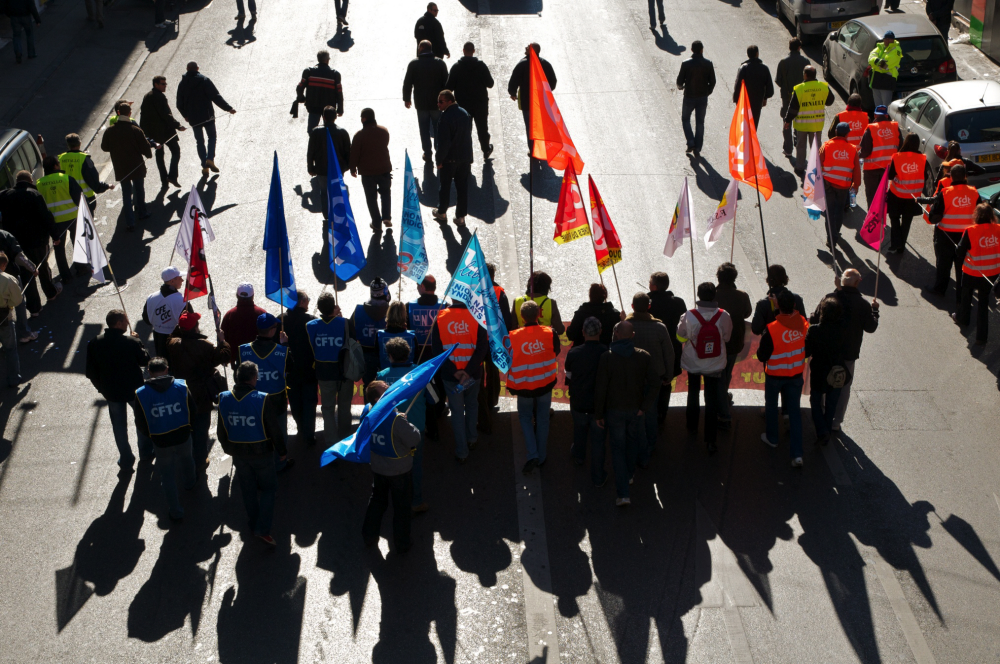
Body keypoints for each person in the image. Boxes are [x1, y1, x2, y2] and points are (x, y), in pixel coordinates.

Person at [218, 361, 286, 545]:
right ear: (254, 378)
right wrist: (282, 451)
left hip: (239, 454)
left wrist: (229, 449)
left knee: (247, 490)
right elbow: (274, 428)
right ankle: (262, 528)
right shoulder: (262, 398)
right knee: (268, 488)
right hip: (262, 453)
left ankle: (253, 523)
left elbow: (221, 430)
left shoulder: (224, 398)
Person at [594, 321, 658, 506]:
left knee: (617, 449)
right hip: (635, 411)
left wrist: (599, 413)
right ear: (633, 335)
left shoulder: (607, 357)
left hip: (614, 412)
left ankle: (623, 493)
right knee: (632, 443)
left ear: (615, 333)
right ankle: (629, 474)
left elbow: (601, 389)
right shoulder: (643, 356)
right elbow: (655, 383)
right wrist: (644, 407)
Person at [810, 268, 879, 432]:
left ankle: (821, 415)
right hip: (848, 354)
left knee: (823, 382)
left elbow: (814, 319)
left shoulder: (830, 298)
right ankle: (836, 421)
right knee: (843, 387)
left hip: (826, 351)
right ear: (858, 282)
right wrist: (875, 310)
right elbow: (871, 327)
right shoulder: (862, 304)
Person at [133, 357, 197, 521]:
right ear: (167, 369)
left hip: (160, 440)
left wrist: (151, 436)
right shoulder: (182, 386)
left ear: (149, 372)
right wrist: (190, 428)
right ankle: (190, 484)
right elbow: (192, 410)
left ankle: (175, 511)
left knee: (167, 475)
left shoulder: (141, 394)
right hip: (183, 435)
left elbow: (140, 422)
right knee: (187, 459)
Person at [361, 380, 421, 554]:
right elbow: (414, 438)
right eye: (386, 391)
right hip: (399, 471)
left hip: (377, 467)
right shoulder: (394, 419)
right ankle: (402, 544)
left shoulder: (367, 411)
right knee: (402, 508)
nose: (391, 392)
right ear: (378, 398)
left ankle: (368, 535)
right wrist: (403, 421)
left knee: (377, 501)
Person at [86, 309, 151, 469]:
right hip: (134, 390)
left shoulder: (95, 342)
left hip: (111, 392)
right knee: (142, 422)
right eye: (126, 320)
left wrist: (101, 388)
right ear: (119, 323)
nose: (128, 323)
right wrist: (139, 342)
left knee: (119, 427)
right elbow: (146, 361)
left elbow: (91, 372)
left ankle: (126, 459)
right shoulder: (131, 342)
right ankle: (145, 453)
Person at [166, 310, 231, 467]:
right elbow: (224, 356)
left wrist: (179, 327)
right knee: (201, 428)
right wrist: (223, 342)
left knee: (185, 427)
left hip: (180, 392)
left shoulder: (172, 344)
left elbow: (171, 336)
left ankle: (186, 458)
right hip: (201, 393)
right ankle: (200, 460)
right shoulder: (205, 346)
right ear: (196, 328)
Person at [676, 283, 732, 455]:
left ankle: (692, 426)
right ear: (714, 295)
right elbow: (727, 338)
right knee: (711, 399)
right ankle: (710, 440)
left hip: (693, 362)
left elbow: (680, 337)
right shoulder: (724, 315)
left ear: (698, 296)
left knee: (693, 393)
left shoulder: (689, 315)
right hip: (715, 363)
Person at [432, 295, 488, 462]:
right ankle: (472, 438)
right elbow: (482, 348)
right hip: (472, 376)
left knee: (457, 413)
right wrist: (468, 372)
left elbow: (437, 351)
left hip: (451, 377)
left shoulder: (440, 317)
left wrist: (455, 371)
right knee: (472, 405)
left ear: (451, 297)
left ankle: (462, 451)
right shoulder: (477, 317)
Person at [376, 338, 428, 514]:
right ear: (408, 354)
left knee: (396, 465)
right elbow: (434, 399)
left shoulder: (381, 377)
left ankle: (397, 502)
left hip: (391, 429)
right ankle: (417, 501)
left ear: (389, 356)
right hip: (416, 428)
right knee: (416, 465)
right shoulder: (420, 373)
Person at [508, 301, 561, 474]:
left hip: (523, 386)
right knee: (543, 418)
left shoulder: (512, 336)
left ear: (521, 317)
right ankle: (542, 456)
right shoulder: (549, 332)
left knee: (525, 418)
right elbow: (557, 351)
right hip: (545, 384)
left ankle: (533, 454)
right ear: (539, 314)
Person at [757, 291, 808, 467]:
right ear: (794, 305)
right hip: (795, 374)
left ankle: (772, 438)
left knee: (771, 406)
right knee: (794, 413)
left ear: (777, 306)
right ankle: (797, 454)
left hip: (775, 375)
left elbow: (761, 354)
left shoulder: (771, 329)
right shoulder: (803, 323)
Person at [239, 313, 293, 472]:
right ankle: (281, 463)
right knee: (280, 432)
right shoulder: (282, 351)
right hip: (276, 400)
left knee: (258, 433)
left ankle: (261, 465)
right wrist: (285, 346)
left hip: (253, 400)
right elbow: (291, 368)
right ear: (271, 331)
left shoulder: (243, 350)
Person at [0, 170, 59, 315]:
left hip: (16, 243)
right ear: (31, 181)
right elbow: (46, 217)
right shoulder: (34, 194)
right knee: (42, 267)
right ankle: (51, 293)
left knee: (27, 274)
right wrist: (55, 236)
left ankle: (34, 308)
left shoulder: (5, 196)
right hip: (37, 241)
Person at [922, 163, 982, 300]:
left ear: (952, 178)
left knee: (944, 264)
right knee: (962, 267)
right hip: (967, 237)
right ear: (965, 177)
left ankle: (940, 289)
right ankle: (961, 295)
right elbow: (980, 213)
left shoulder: (946, 193)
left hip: (946, 236)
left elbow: (935, 216)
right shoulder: (974, 192)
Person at [626, 292, 674, 464]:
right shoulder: (660, 327)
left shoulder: (625, 326)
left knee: (633, 411)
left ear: (632, 306)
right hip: (654, 377)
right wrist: (669, 375)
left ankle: (635, 443)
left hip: (631, 377)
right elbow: (669, 354)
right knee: (651, 412)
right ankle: (650, 444)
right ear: (649, 306)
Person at [307, 292, 355, 443]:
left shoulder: (310, 326)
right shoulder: (345, 323)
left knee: (327, 409)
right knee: (344, 407)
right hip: (345, 372)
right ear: (334, 307)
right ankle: (345, 439)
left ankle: (331, 442)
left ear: (319, 309)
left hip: (324, 373)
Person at [565, 317, 608, 484]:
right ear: (600, 332)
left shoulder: (574, 353)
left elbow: (568, 376)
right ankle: (598, 477)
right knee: (598, 443)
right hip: (599, 406)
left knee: (579, 430)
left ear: (582, 333)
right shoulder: (606, 352)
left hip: (579, 402)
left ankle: (579, 456)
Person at [175, 62, 237, 177]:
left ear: (187, 69)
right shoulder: (204, 80)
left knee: (199, 141)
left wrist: (186, 115)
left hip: (193, 118)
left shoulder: (182, 84)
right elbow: (215, 96)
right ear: (197, 68)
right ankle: (210, 159)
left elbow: (179, 103)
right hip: (207, 115)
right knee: (212, 137)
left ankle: (204, 165)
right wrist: (228, 108)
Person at [100, 101, 154, 230]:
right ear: (130, 113)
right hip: (136, 165)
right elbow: (146, 149)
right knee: (139, 189)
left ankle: (130, 222)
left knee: (126, 193)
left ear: (118, 113)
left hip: (121, 167)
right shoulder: (136, 130)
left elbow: (104, 147)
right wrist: (149, 153)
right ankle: (142, 213)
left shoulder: (110, 131)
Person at [713, 262, 752, 430]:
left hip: (715, 343)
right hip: (734, 342)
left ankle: (721, 407)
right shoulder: (742, 296)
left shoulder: (712, 295)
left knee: (718, 375)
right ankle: (723, 408)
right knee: (726, 374)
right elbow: (747, 313)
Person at [955, 203, 1000, 344]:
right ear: (991, 216)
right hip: (992, 274)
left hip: (972, 273)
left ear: (976, 216)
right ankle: (981, 337)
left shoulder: (970, 231)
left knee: (966, 296)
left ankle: (963, 319)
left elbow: (960, 252)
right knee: (983, 304)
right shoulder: (998, 230)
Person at [34, 156, 82, 287]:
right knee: (77, 242)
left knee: (59, 249)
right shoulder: (67, 179)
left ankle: (66, 276)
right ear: (55, 166)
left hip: (54, 222)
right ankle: (81, 268)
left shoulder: (38, 184)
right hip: (72, 217)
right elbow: (79, 197)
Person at [805, 297, 847, 445]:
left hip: (819, 372)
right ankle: (826, 432)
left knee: (815, 402)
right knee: (831, 404)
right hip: (837, 371)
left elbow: (806, 352)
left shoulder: (815, 330)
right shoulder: (843, 329)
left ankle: (822, 431)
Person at [407, 275, 445, 440]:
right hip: (438, 354)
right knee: (440, 384)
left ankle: (426, 412)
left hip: (419, 354)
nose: (416, 287)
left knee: (423, 387)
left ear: (423, 287)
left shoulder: (410, 306)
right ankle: (439, 408)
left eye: (418, 285)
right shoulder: (444, 307)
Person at [647, 271, 686, 418]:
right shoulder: (678, 302)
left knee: (650, 382)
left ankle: (650, 412)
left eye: (650, 282)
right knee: (666, 381)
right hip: (672, 349)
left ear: (654, 286)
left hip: (651, 349)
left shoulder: (647, 302)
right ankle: (662, 412)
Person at [281, 292, 317, 448]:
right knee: (309, 403)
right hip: (309, 369)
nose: (309, 302)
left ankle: (301, 428)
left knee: (295, 402)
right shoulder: (311, 321)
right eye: (308, 300)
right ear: (302, 302)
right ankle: (309, 434)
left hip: (289, 370)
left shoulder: (280, 321)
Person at [403, 40, 449, 162]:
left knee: (424, 129)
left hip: (421, 103)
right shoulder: (439, 63)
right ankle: (438, 150)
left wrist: (407, 99)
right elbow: (446, 83)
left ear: (421, 48)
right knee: (438, 128)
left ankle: (427, 153)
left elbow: (407, 83)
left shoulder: (414, 64)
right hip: (437, 103)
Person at [446, 42, 495, 158]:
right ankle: (486, 149)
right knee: (482, 128)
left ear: (463, 50)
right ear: (473, 51)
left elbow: (449, 87)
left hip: (463, 105)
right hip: (480, 104)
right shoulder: (481, 66)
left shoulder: (456, 67)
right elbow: (490, 83)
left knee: (465, 130)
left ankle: (467, 154)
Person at [885, 132, 932, 254]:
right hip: (913, 196)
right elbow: (925, 177)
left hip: (896, 194)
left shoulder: (897, 156)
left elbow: (890, 176)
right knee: (906, 222)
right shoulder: (922, 159)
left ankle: (896, 243)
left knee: (894, 218)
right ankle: (901, 246)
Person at [433, 90, 473, 228]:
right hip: (464, 158)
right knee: (462, 188)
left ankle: (442, 212)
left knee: (444, 187)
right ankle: (460, 217)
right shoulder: (465, 114)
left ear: (450, 101)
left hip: (450, 160)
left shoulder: (445, 118)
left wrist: (439, 160)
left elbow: (443, 143)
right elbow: (468, 137)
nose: (438, 104)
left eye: (441, 102)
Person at [348, 108, 393, 232]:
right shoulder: (384, 131)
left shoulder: (359, 135)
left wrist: (353, 168)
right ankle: (386, 217)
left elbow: (354, 154)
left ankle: (376, 223)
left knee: (371, 198)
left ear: (364, 119)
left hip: (368, 172)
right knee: (385, 193)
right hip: (384, 169)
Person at [784, 66, 834, 174]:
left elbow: (793, 108)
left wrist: (787, 121)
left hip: (802, 125)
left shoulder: (799, 88)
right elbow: (830, 101)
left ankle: (800, 167)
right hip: (816, 125)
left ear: (805, 75)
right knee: (816, 147)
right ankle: (817, 168)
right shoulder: (823, 87)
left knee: (801, 146)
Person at [507, 44, 557, 149]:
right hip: (542, 101)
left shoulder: (522, 64)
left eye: (528, 47)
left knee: (530, 126)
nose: (525, 48)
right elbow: (553, 82)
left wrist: (512, 92)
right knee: (540, 125)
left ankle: (533, 148)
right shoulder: (545, 64)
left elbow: (514, 79)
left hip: (527, 101)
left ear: (533, 51)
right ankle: (540, 148)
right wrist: (547, 91)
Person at [140, 76, 185, 190]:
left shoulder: (147, 96)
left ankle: (164, 181)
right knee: (176, 151)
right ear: (156, 84)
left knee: (160, 156)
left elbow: (143, 116)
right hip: (166, 131)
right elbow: (166, 115)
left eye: (165, 84)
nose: (165, 86)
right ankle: (172, 176)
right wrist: (178, 125)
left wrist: (144, 132)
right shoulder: (160, 97)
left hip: (154, 133)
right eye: (163, 84)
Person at [819, 122, 861, 245]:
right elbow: (856, 170)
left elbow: (818, 165)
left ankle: (831, 237)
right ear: (847, 134)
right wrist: (856, 185)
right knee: (839, 211)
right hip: (843, 187)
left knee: (829, 212)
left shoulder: (826, 146)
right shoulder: (852, 149)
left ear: (836, 132)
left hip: (828, 185)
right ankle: (835, 233)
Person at [308, 106, 352, 219]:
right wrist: (347, 166)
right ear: (335, 117)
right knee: (337, 190)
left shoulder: (316, 132)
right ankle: (338, 213)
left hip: (321, 168)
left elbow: (310, 151)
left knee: (324, 191)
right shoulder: (342, 132)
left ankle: (327, 214)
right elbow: (348, 151)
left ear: (323, 117)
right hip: (338, 168)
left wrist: (311, 167)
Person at [676, 41, 716, 158]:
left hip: (689, 96)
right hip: (702, 98)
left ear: (691, 50)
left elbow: (679, 81)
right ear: (702, 50)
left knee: (685, 119)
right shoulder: (708, 63)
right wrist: (707, 92)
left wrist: (681, 87)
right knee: (700, 122)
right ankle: (698, 147)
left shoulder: (686, 64)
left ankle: (691, 142)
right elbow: (712, 82)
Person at [858, 105, 902, 209]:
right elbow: (901, 147)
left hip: (871, 169)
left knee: (872, 196)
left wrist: (857, 155)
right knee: (882, 195)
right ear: (886, 115)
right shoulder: (895, 127)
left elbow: (865, 151)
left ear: (875, 115)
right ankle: (881, 219)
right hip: (888, 168)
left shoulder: (871, 128)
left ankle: (872, 220)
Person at [0, 226, 38, 344]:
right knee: (19, 303)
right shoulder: (4, 235)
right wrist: (32, 268)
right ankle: (24, 333)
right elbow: (19, 256)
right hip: (10, 277)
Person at [58, 133, 114, 212]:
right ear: (80, 143)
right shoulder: (84, 159)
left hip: (66, 198)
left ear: (68, 145)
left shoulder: (60, 158)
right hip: (85, 199)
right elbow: (93, 180)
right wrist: (106, 186)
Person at [350, 277, 391, 385]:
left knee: (369, 388)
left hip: (365, 356)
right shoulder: (392, 311)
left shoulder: (358, 311)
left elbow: (350, 333)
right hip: (387, 356)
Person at [775, 38, 810, 156]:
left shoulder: (783, 62)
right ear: (799, 47)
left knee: (787, 122)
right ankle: (798, 143)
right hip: (802, 97)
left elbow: (778, 80)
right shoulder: (805, 61)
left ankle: (788, 148)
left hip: (787, 97)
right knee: (799, 122)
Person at [143, 266, 187, 358]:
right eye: (180, 278)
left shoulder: (151, 297)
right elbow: (190, 323)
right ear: (172, 281)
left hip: (158, 338)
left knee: (163, 364)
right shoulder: (181, 300)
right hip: (176, 340)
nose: (182, 280)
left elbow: (146, 320)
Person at [221, 283, 267, 369]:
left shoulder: (229, 315)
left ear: (237, 296)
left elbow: (223, 339)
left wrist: (226, 359)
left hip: (239, 363)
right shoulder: (262, 314)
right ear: (253, 296)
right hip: (261, 359)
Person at [296, 50, 344, 133]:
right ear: (327, 60)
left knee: (312, 131)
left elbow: (300, 87)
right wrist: (340, 108)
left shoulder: (309, 71)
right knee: (329, 131)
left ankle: (314, 144)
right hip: (329, 109)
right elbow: (339, 93)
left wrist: (301, 98)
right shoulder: (335, 74)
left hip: (313, 107)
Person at [751, 264, 807, 335]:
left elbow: (756, 329)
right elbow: (803, 321)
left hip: (773, 343)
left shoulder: (763, 304)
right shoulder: (797, 298)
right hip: (795, 341)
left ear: (769, 280)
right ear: (785, 278)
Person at [732, 45, 773, 128]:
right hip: (757, 102)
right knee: (753, 125)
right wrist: (765, 98)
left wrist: (736, 99)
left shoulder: (743, 68)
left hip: (744, 101)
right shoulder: (764, 68)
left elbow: (737, 86)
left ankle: (746, 140)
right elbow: (770, 89)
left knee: (744, 126)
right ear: (757, 54)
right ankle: (751, 140)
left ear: (748, 55)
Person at [0, 253, 23, 387]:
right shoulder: (8, 279)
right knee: (10, 349)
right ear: (3, 265)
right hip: (4, 319)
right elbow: (17, 300)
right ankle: (14, 379)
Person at [868, 32, 903, 109]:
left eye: (889, 39)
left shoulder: (896, 50)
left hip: (887, 80)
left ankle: (885, 120)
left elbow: (887, 64)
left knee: (885, 107)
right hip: (876, 79)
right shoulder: (880, 47)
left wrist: (875, 63)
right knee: (877, 107)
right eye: (886, 39)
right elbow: (870, 58)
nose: (887, 41)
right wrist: (878, 63)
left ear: (893, 40)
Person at [377, 301, 415, 370]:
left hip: (384, 376)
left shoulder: (379, 335)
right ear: (404, 315)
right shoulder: (412, 336)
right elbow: (416, 359)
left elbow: (376, 359)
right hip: (408, 378)